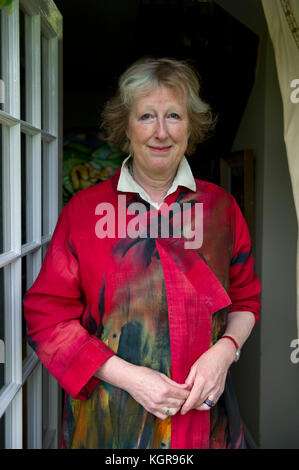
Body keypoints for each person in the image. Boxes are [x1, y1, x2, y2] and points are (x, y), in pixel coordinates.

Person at [24, 57, 261, 449]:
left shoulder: (221, 209)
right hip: (109, 426)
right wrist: (131, 378)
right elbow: (46, 317)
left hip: (205, 425)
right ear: (126, 126)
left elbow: (246, 300)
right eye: (147, 116)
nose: (161, 132)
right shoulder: (84, 212)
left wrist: (225, 351)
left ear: (191, 126)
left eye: (174, 116)